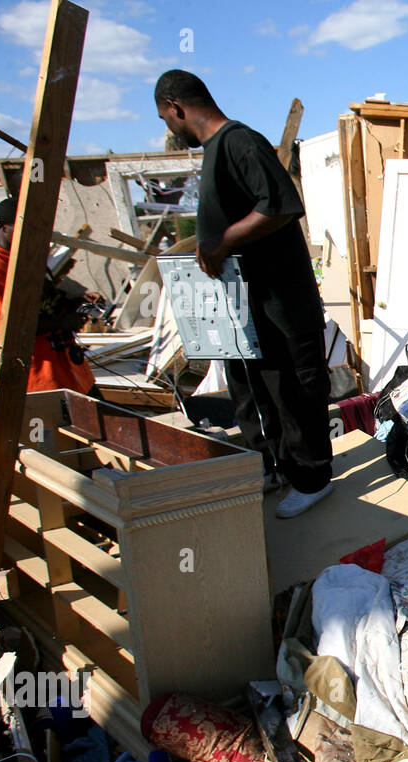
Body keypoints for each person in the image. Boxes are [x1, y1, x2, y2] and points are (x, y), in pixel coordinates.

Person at [154, 69, 333, 518]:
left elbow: (280, 205)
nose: (170, 129)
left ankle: (313, 479)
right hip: (245, 307)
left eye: (166, 119)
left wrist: (224, 241)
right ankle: (273, 468)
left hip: (281, 304)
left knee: (293, 390)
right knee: (253, 390)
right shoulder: (216, 151)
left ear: (176, 107)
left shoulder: (238, 141)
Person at [0, 196, 99, 395]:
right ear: (2, 226)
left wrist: (76, 303)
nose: (33, 234)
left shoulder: (26, 258)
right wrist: (62, 323)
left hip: (72, 371)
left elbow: (47, 302)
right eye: (25, 227)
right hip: (40, 379)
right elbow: (6, 329)